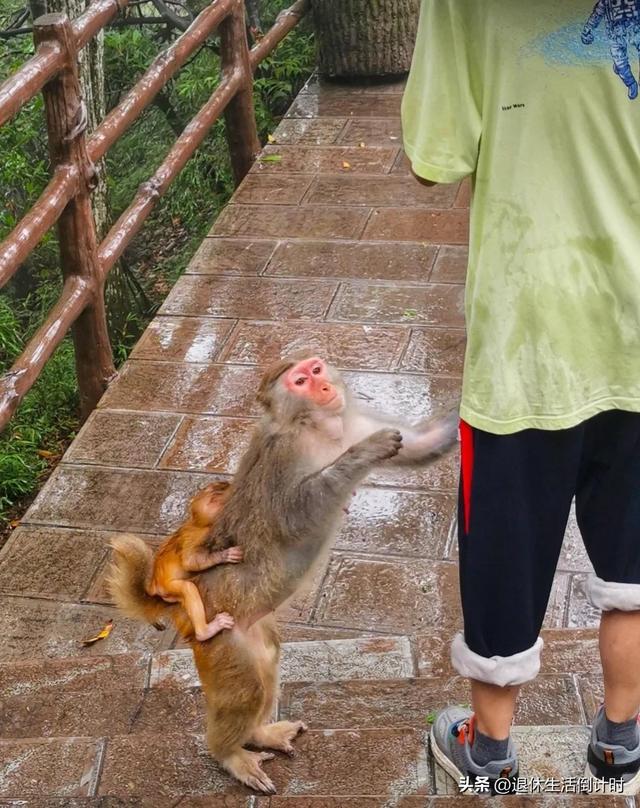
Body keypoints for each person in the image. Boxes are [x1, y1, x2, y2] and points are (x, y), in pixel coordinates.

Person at [402, 0, 640, 795]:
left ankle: (491, 762)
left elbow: (434, 157)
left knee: (505, 548)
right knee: (636, 563)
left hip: (525, 334)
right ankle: (621, 744)